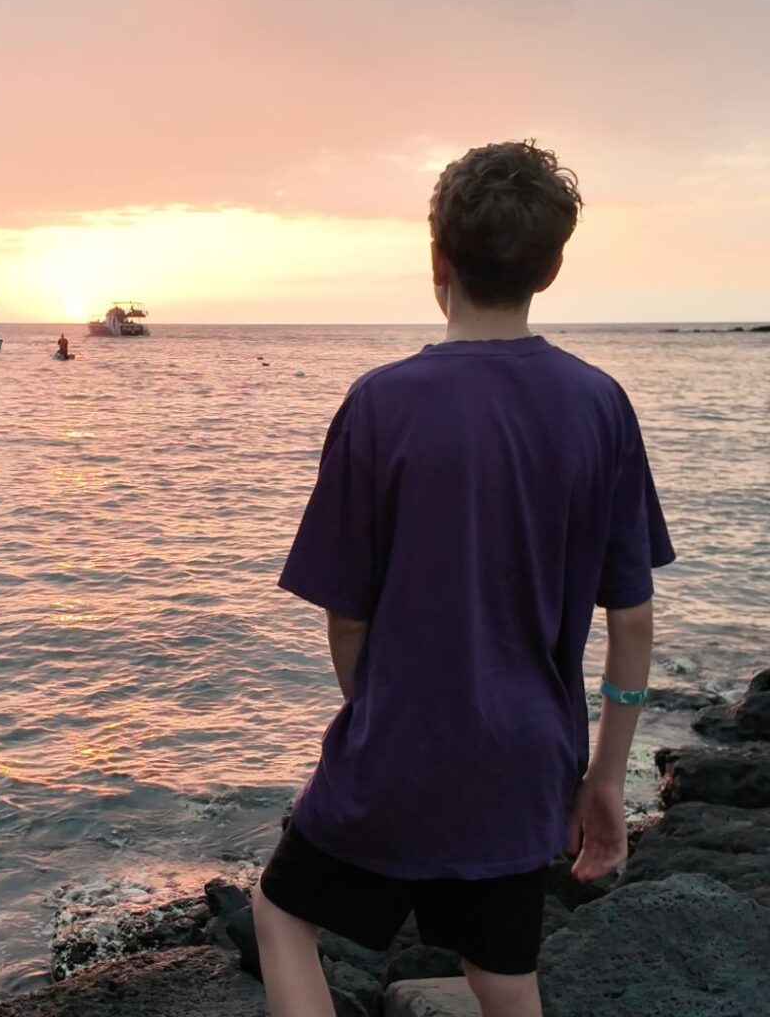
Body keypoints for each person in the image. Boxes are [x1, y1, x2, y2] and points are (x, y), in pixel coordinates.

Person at [253, 140, 675, 1017]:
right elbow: (630, 623)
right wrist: (603, 778)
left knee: (281, 913)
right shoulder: (600, 404)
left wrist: (370, 728)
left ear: (436, 259)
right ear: (552, 268)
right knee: (502, 974)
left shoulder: (381, 402)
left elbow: (347, 618)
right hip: (530, 759)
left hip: (399, 750)